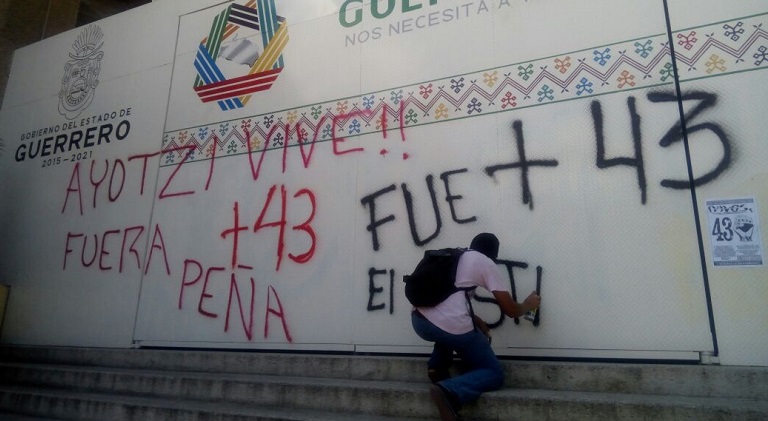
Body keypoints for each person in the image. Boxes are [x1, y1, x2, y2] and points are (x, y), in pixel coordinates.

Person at [411, 233, 541, 421]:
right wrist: (529, 304)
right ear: (493, 255)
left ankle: (437, 367)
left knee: (448, 328)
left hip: (419, 321)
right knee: (493, 373)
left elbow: (447, 300)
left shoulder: (456, 256)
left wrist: (475, 318)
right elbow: (510, 310)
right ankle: (448, 391)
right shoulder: (485, 262)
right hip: (447, 326)